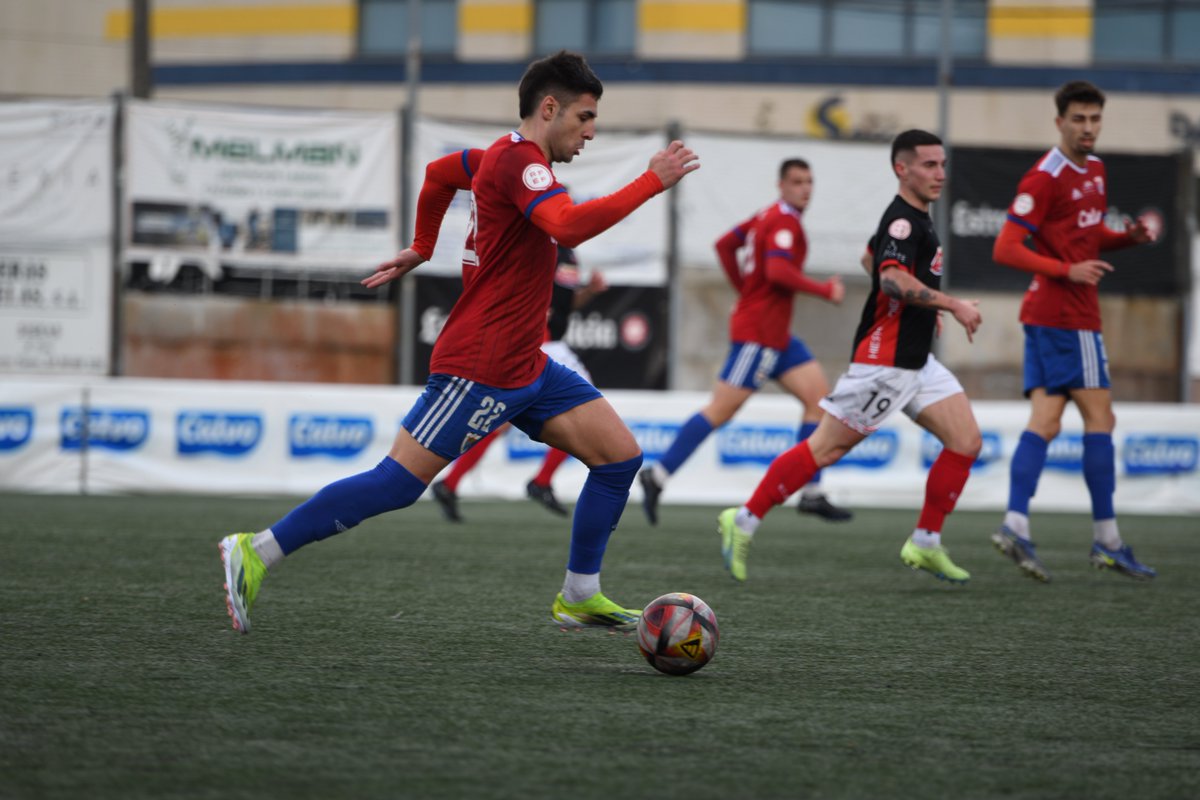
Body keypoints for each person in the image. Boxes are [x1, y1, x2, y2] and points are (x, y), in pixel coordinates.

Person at [218, 50, 699, 634]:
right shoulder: (523, 166)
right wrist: (653, 181)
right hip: (481, 364)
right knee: (397, 483)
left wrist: (423, 246)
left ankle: (579, 595)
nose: (591, 132)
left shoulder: (499, 156)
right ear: (549, 108)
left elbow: (441, 174)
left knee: (619, 457)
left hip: (527, 364)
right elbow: (568, 225)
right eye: (585, 117)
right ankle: (256, 549)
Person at [716, 129, 984, 583]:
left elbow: (869, 258)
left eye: (942, 164)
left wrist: (920, 308)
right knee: (825, 448)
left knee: (966, 441)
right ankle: (742, 520)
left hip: (916, 360)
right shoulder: (904, 220)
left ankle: (925, 542)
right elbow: (892, 279)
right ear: (902, 169)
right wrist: (949, 304)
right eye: (929, 165)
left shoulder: (915, 217)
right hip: (886, 363)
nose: (940, 173)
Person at [990, 80, 1157, 582]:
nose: (1088, 128)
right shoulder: (1044, 177)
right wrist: (1068, 271)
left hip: (1049, 315)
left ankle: (1016, 523)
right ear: (1058, 120)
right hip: (1068, 316)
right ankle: (1107, 541)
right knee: (1101, 419)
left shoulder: (1096, 170)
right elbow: (1005, 248)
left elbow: (1086, 238)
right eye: (1078, 119)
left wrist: (1125, 238)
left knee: (1045, 422)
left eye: (1095, 119)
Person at [638, 159, 852, 526]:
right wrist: (825, 290)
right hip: (758, 336)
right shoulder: (783, 221)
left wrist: (746, 290)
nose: (805, 189)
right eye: (797, 182)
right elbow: (777, 271)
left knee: (819, 400)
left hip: (776, 335)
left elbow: (724, 246)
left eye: (809, 182)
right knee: (720, 410)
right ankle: (657, 474)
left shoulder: (767, 215)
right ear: (781, 185)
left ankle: (812, 493)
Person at [431, 243, 608, 521]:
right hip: (540, 342)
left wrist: (588, 291)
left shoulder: (567, 249)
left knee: (500, 420)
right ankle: (541, 481)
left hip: (549, 342)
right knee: (587, 411)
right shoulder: (536, 240)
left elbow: (563, 302)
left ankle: (450, 484)